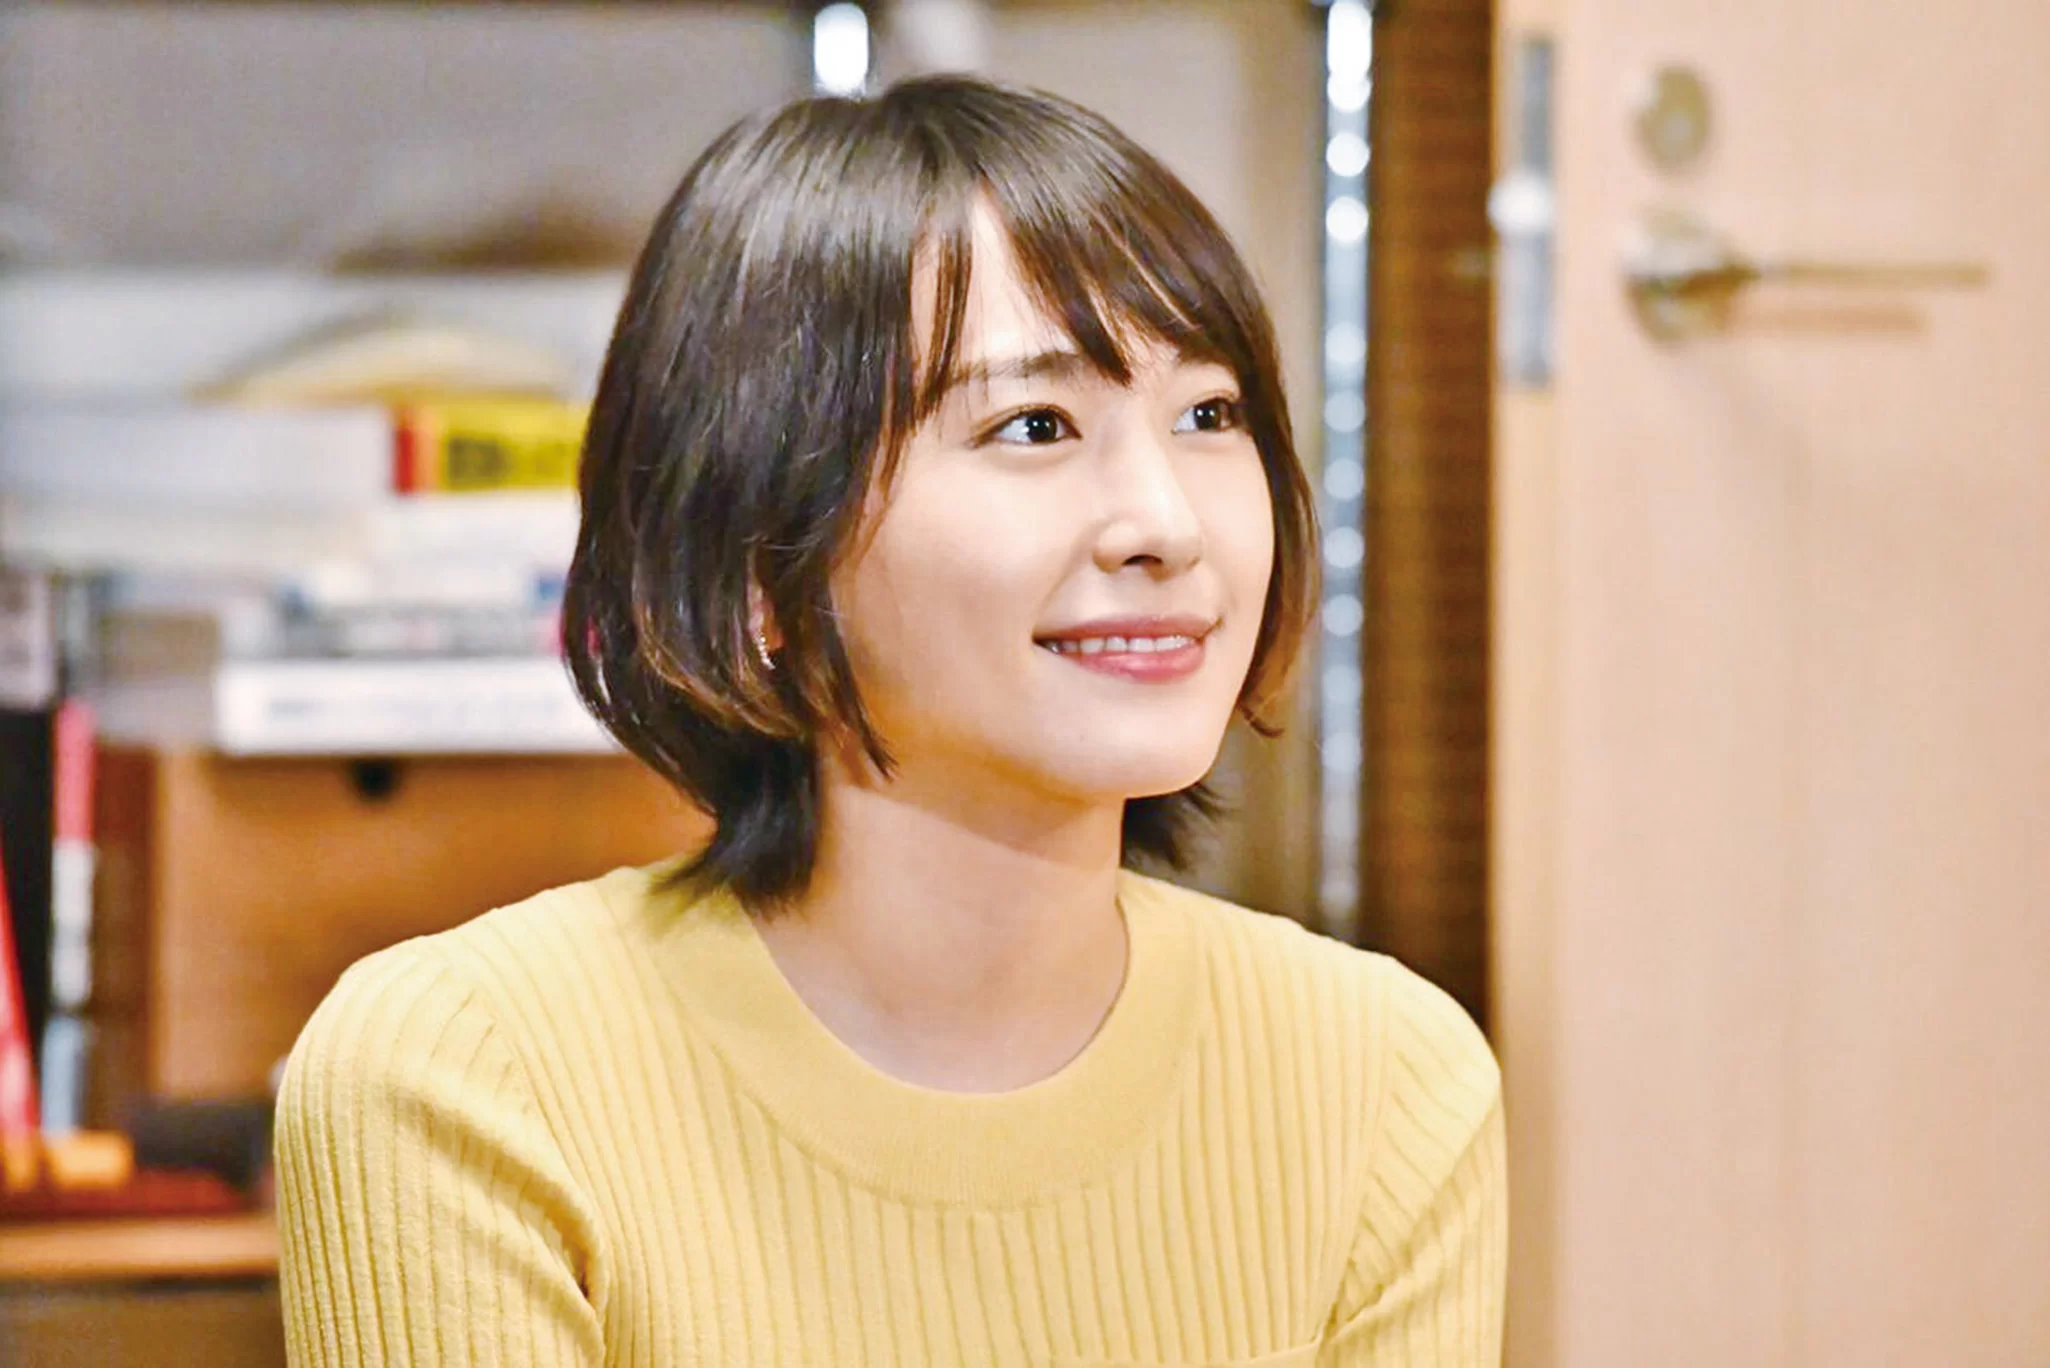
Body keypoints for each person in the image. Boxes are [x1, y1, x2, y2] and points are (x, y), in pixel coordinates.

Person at [274, 74, 1505, 1367]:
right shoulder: (464, 1077)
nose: (1166, 523)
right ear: (759, 566)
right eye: (1034, 425)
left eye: (1209, 414)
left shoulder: (1381, 1077)